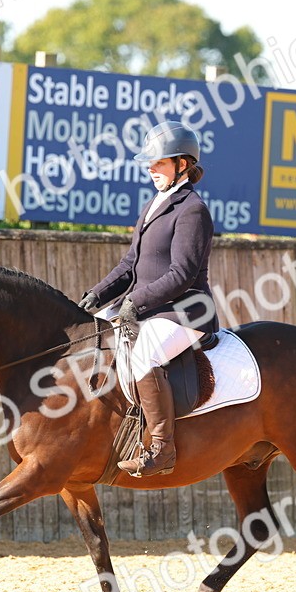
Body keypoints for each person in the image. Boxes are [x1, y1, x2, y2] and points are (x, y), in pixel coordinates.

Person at [77, 121, 217, 477]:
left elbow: (181, 274)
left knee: (145, 355)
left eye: (159, 162)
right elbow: (130, 264)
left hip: (186, 310)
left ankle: (161, 449)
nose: (150, 168)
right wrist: (96, 295)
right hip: (151, 307)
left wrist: (134, 303)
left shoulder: (192, 210)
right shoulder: (157, 203)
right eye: (150, 163)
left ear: (182, 164)